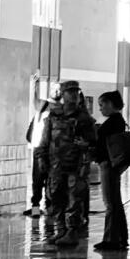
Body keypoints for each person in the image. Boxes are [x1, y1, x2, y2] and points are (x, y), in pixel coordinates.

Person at [37, 79, 97, 249]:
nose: (73, 95)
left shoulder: (85, 119)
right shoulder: (53, 117)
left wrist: (86, 148)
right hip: (56, 166)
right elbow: (44, 141)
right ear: (62, 95)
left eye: (76, 92)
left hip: (76, 166)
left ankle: (72, 232)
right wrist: (41, 159)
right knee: (55, 196)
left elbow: (94, 143)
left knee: (74, 199)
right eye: (69, 92)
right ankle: (60, 229)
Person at [93, 89, 129, 254]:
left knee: (110, 204)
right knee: (115, 202)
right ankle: (120, 237)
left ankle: (111, 239)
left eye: (102, 105)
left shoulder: (113, 122)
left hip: (108, 164)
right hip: (112, 164)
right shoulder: (118, 121)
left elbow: (105, 145)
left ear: (110, 104)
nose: (100, 109)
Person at [23, 83, 54, 217]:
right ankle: (49, 209)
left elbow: (29, 135)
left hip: (39, 152)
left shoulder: (39, 115)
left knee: (37, 182)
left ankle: (36, 210)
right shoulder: (51, 116)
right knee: (49, 182)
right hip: (49, 153)